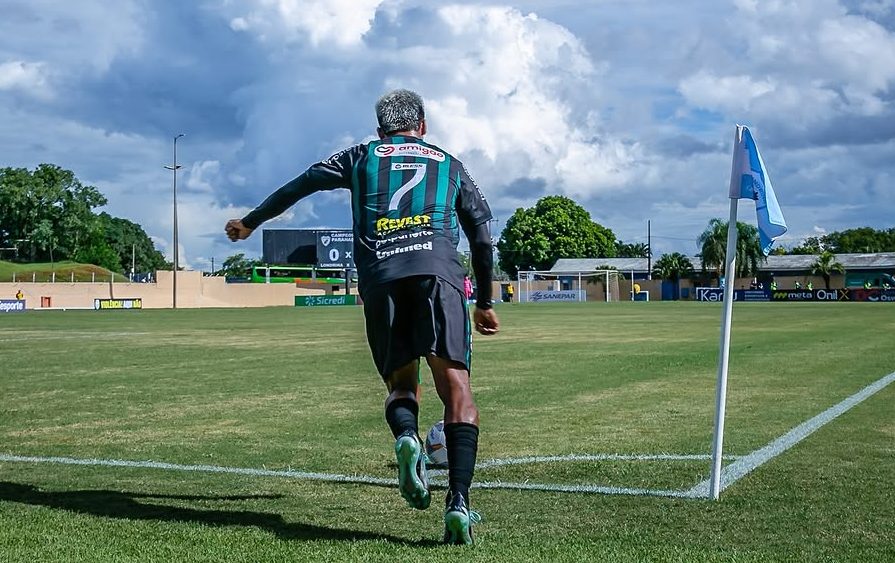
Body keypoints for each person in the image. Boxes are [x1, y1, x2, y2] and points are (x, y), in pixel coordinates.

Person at [225, 89, 499, 545]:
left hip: (382, 274)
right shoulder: (449, 163)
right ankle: (459, 503)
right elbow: (483, 237)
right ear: (423, 125)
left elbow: (301, 184)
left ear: (380, 131)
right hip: (437, 272)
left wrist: (251, 221)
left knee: (401, 385)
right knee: (457, 389)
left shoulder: (361, 155)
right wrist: (486, 300)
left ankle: (407, 436)